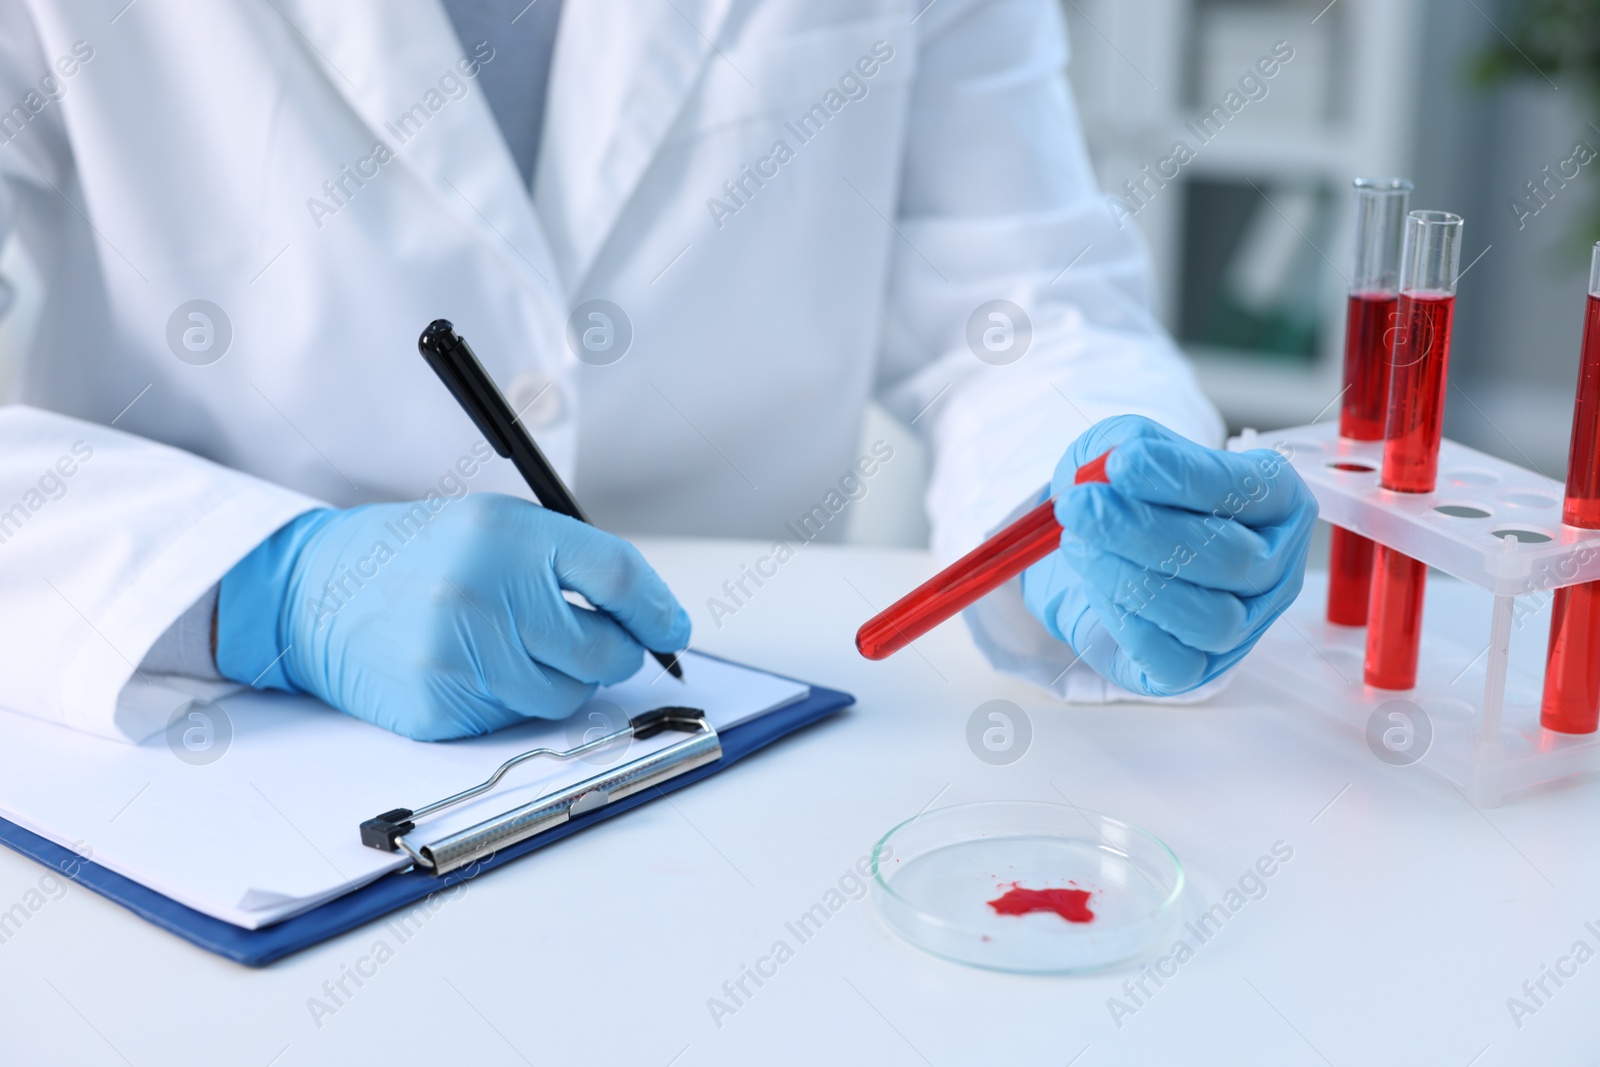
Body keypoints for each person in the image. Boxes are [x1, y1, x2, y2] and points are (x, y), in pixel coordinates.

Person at [0, 0, 1315, 743]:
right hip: (203, 742)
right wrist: (263, 590)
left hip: (731, 745)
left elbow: (1025, 309)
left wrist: (1080, 486)